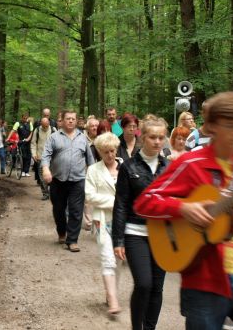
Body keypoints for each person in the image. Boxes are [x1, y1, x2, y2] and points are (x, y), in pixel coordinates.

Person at [134, 91, 233, 330]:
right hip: (205, 283)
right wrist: (183, 208)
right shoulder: (190, 164)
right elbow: (145, 202)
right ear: (210, 127)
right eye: (229, 125)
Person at [112, 119, 170, 330]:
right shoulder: (129, 167)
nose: (157, 142)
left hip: (162, 235)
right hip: (135, 231)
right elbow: (120, 205)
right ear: (143, 137)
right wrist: (118, 240)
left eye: (161, 138)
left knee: (157, 287)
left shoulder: (169, 168)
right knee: (144, 284)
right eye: (152, 137)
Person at [41, 110, 95, 252]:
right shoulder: (53, 137)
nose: (70, 121)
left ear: (76, 121)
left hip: (78, 180)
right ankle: (62, 232)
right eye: (68, 119)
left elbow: (90, 160)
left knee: (76, 211)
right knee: (58, 210)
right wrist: (46, 169)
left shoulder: (83, 138)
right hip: (58, 180)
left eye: (73, 119)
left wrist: (93, 176)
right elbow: (46, 156)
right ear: (63, 121)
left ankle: (72, 240)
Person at [85, 132, 124, 315]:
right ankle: (114, 301)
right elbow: (90, 196)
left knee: (118, 260)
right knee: (108, 258)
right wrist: (115, 202)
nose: (110, 154)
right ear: (99, 152)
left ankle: (111, 293)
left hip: (123, 222)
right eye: (106, 151)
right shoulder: (93, 170)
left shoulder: (126, 167)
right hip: (103, 220)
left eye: (113, 150)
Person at [31, 118, 56, 200]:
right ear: (41, 123)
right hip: (40, 156)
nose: (45, 127)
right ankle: (45, 193)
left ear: (49, 123)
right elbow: (33, 143)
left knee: (53, 176)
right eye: (44, 125)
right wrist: (34, 154)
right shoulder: (37, 130)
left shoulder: (53, 129)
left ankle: (53, 192)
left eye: (47, 125)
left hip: (52, 157)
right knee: (42, 177)